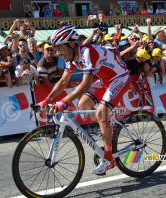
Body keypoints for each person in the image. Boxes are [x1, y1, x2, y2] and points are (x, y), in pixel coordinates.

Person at [39, 25, 131, 174]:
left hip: (119, 78)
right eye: (55, 49)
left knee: (101, 113)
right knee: (83, 104)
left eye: (60, 48)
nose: (57, 52)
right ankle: (107, 127)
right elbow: (62, 82)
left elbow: (86, 83)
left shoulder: (87, 52)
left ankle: (109, 158)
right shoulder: (71, 59)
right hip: (105, 81)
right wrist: (47, 99)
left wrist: (63, 101)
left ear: (72, 44)